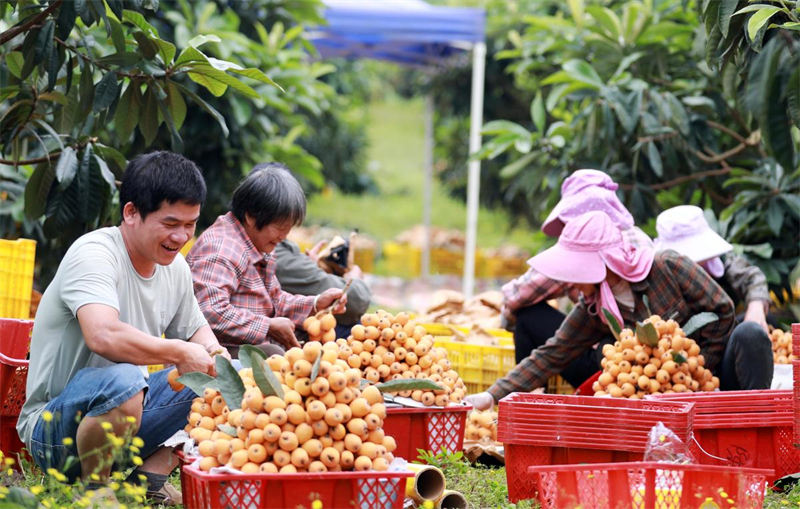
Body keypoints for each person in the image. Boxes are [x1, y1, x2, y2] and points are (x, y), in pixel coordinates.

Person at [17, 151, 227, 505]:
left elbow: (201, 337)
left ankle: (150, 479)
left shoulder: (174, 268)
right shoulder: (95, 254)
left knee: (223, 374)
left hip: (127, 416)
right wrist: (178, 352)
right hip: (54, 431)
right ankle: (94, 490)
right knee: (125, 380)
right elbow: (103, 335)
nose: (181, 237)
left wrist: (215, 360)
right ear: (131, 213)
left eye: (190, 225)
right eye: (171, 223)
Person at [465, 210, 744, 411]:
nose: (570, 280)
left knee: (750, 334)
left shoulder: (666, 266)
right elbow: (552, 353)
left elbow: (722, 310)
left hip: (705, 381)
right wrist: (490, 396)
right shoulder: (596, 305)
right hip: (653, 394)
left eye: (576, 268)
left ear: (604, 262)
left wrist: (700, 364)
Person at [501, 169, 652, 388]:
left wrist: (506, 320)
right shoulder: (637, 236)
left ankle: (532, 400)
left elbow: (518, 295)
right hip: (640, 365)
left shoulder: (586, 249)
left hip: (620, 368)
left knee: (527, 317)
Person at [187, 163, 347, 359]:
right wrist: (267, 326)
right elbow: (209, 312)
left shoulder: (259, 244)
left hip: (250, 343)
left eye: (288, 228)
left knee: (317, 340)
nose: (284, 236)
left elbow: (275, 300)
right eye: (279, 227)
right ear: (251, 216)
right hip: (214, 353)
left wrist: (315, 304)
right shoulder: (222, 248)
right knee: (273, 355)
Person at [655, 205, 774, 390]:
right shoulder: (660, 279)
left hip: (721, 361)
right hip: (678, 372)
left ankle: (758, 410)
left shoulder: (720, 264)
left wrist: (756, 305)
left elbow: (750, 277)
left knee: (751, 332)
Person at [274, 238, 371, 340]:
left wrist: (316, 303)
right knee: (357, 329)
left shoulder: (272, 248)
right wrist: (355, 278)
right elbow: (356, 301)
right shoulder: (275, 253)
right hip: (290, 339)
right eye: (281, 226)